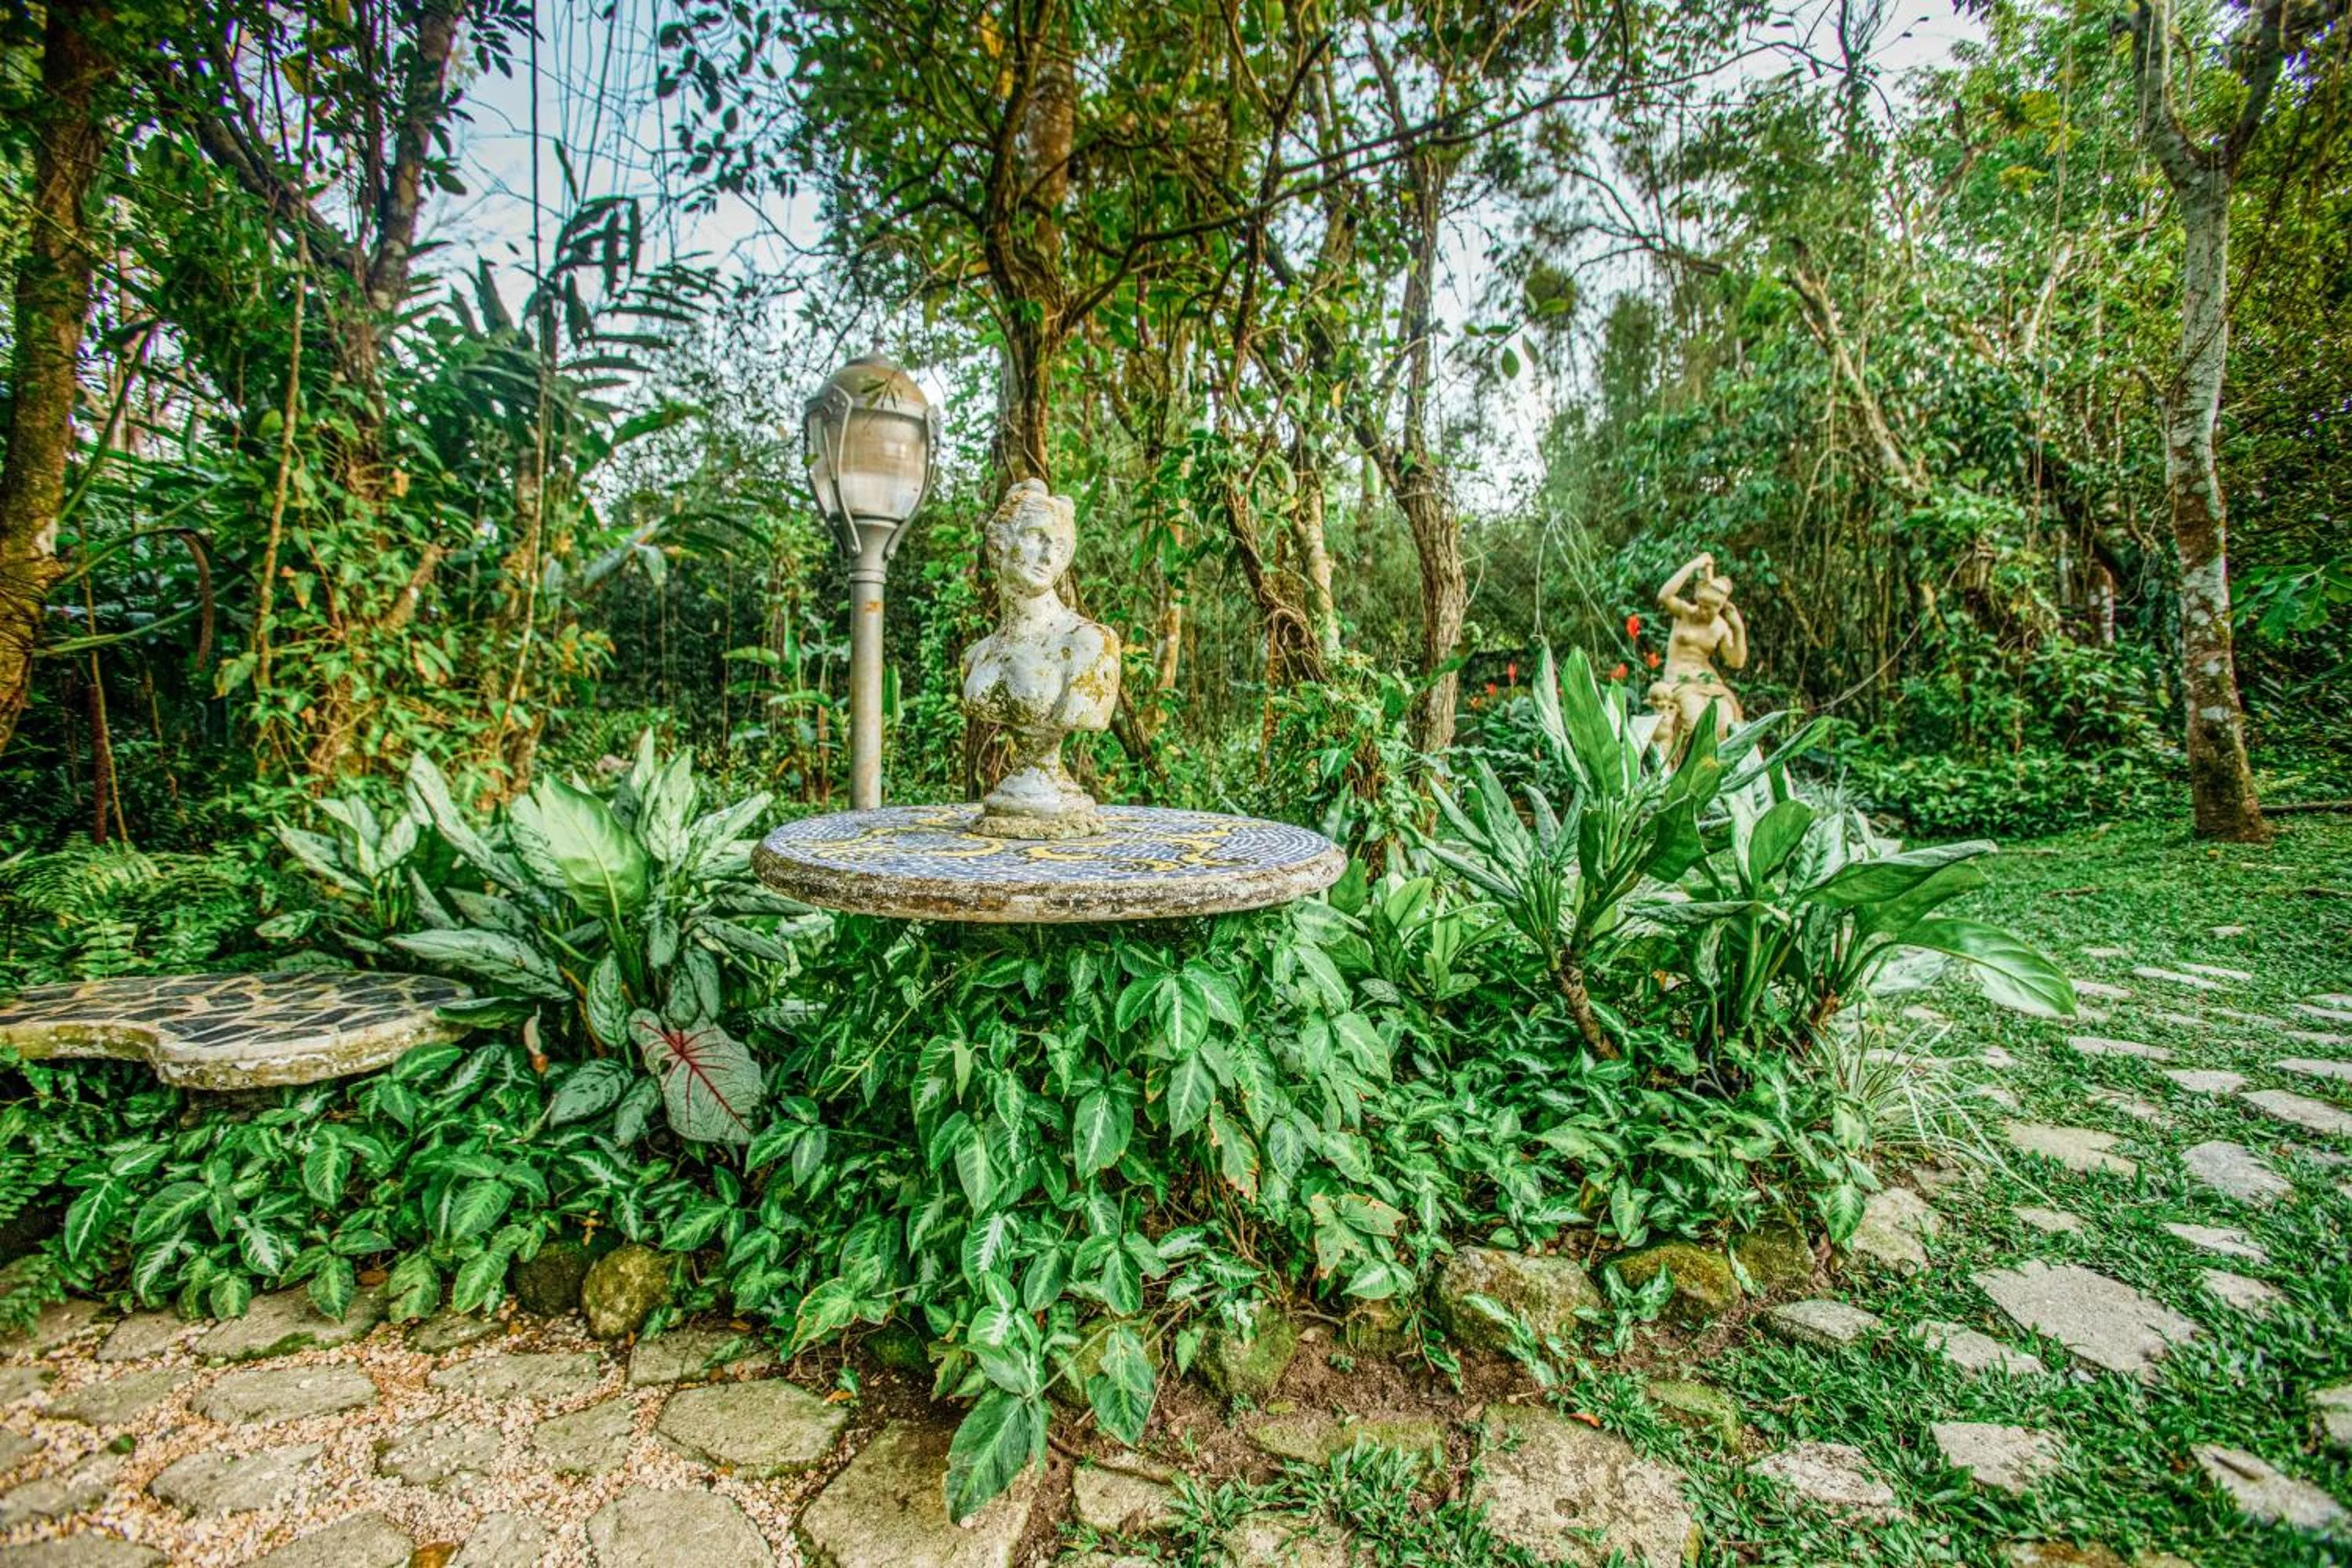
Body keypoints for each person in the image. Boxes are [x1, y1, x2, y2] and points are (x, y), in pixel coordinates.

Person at [960, 481, 1120, 837]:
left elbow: (1085, 711)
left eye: (1060, 547)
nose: (1049, 556)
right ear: (1000, 544)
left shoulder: (1090, 644)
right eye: (1037, 537)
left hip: (1057, 804)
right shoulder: (978, 654)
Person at [1654, 551, 1745, 746]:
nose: (1702, 611)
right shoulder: (1685, 613)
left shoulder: (1721, 627)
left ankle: (1719, 765)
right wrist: (1695, 564)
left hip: (1709, 681)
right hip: (1680, 679)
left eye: (1708, 608)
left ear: (1720, 607)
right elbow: (1664, 596)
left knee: (1724, 722)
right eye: (1701, 605)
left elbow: (1736, 662)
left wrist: (1738, 629)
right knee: (1694, 721)